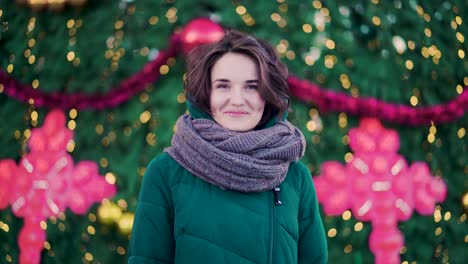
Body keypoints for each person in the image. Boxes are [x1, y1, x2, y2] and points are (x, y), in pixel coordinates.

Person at [128, 29, 328, 264]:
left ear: (268, 94)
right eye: (223, 86)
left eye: (252, 86)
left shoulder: (295, 176)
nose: (237, 99)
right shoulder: (165, 172)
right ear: (206, 94)